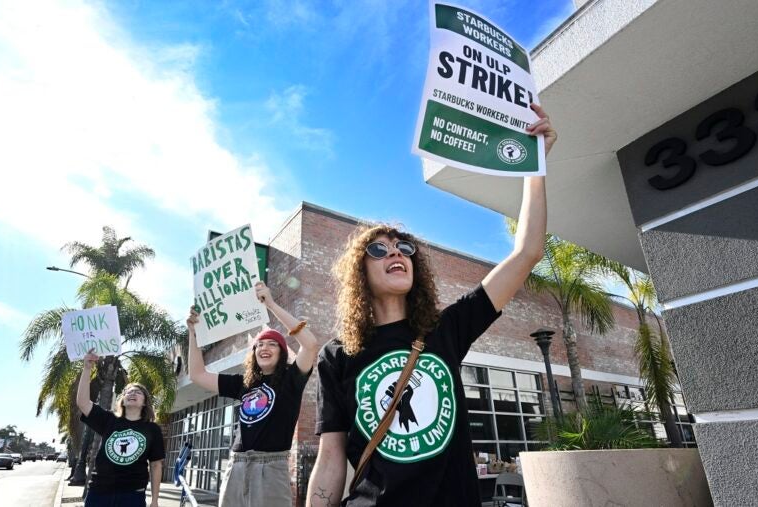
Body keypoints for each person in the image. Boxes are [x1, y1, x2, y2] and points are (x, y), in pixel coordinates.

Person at [305, 104, 557, 507]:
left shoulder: (447, 329)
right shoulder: (337, 355)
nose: (396, 253)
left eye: (404, 247)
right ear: (359, 273)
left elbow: (527, 252)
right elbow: (332, 456)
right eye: (379, 249)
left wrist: (534, 168)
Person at [187, 281, 320, 507]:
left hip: (271, 468)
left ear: (282, 352)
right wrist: (193, 334)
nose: (264, 348)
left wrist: (271, 304)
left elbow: (310, 344)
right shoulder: (244, 383)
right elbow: (197, 374)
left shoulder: (291, 378)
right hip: (236, 466)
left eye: (272, 345)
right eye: (260, 345)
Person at [76, 349, 165, 507]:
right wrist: (87, 368)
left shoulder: (152, 429)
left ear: (144, 402)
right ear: (122, 401)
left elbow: (156, 465)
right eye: (128, 392)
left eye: (137, 392)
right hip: (99, 493)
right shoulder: (109, 420)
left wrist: (155, 500)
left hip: (132, 495)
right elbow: (83, 403)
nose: (132, 393)